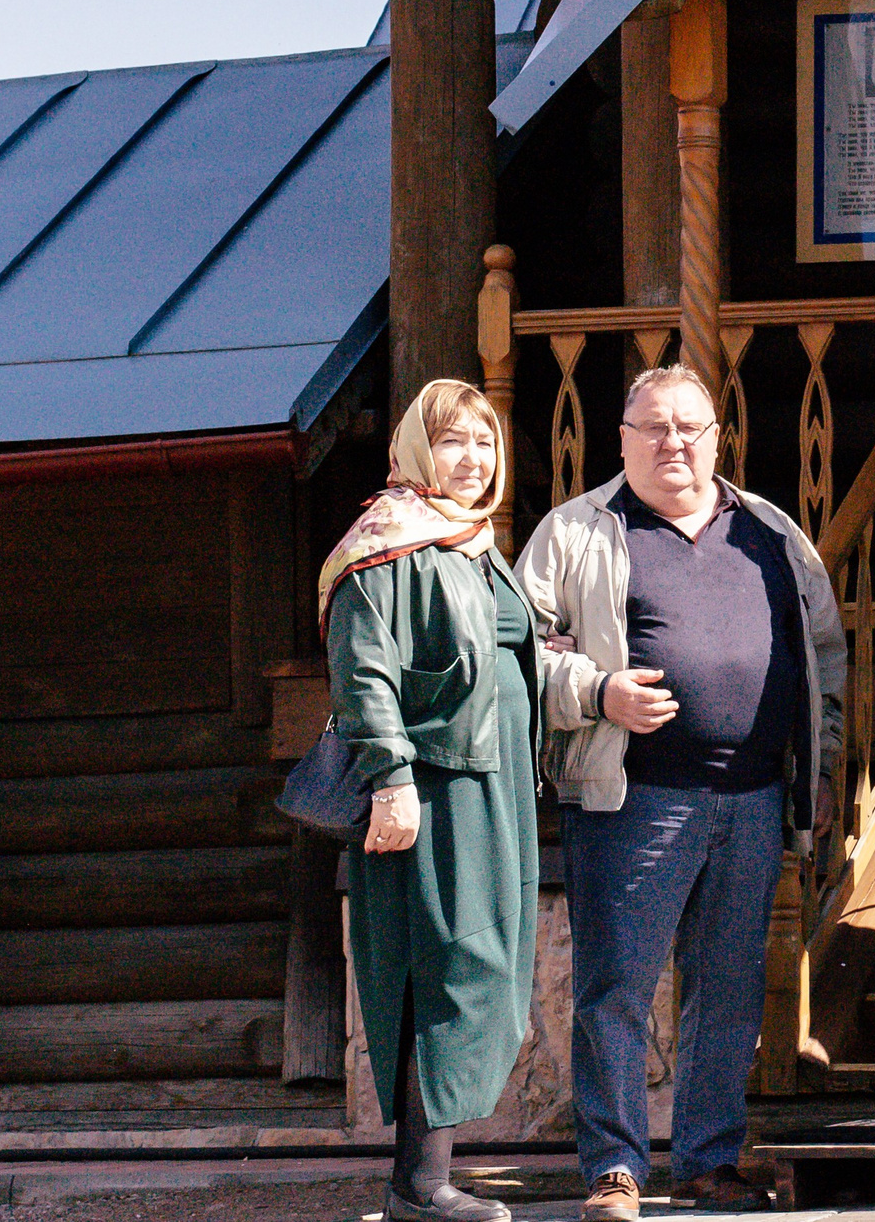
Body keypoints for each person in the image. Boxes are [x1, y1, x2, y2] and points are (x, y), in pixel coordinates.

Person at [515, 365, 850, 1222]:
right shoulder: (577, 532)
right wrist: (598, 692)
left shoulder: (771, 531)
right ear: (621, 439)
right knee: (617, 986)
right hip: (634, 799)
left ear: (716, 436)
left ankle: (706, 1162)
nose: (674, 443)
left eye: (690, 427)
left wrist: (820, 770)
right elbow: (519, 654)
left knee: (728, 990)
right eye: (653, 427)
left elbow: (825, 657)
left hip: (749, 800)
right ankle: (616, 1170)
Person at [320, 379, 537, 1222]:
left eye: (485, 443)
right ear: (418, 449)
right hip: (436, 786)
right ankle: (420, 1186)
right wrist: (392, 779)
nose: (474, 460)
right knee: (449, 965)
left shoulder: (470, 542)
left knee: (475, 966)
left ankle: (423, 1177)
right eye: (455, 442)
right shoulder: (387, 544)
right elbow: (364, 669)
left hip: (494, 784)